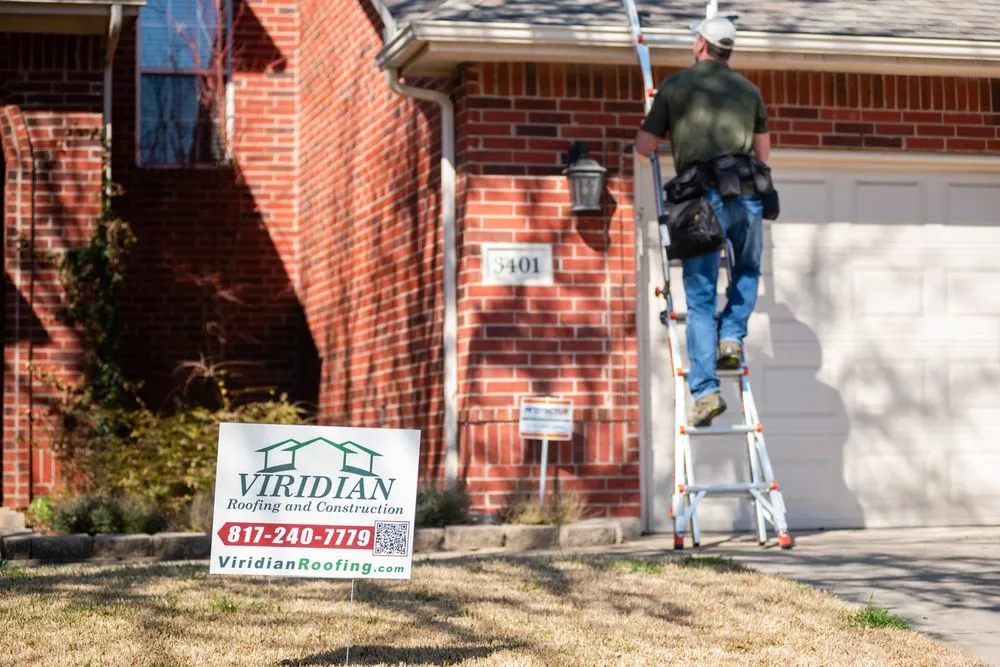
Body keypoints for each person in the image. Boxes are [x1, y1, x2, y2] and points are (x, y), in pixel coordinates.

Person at [633, 15, 771, 426]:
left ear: (700, 44)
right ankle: (732, 336)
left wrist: (670, 128)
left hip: (700, 203)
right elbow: (764, 154)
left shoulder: (676, 87)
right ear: (728, 50)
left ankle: (706, 393)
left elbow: (644, 146)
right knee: (747, 269)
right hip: (746, 194)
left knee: (699, 298)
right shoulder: (749, 90)